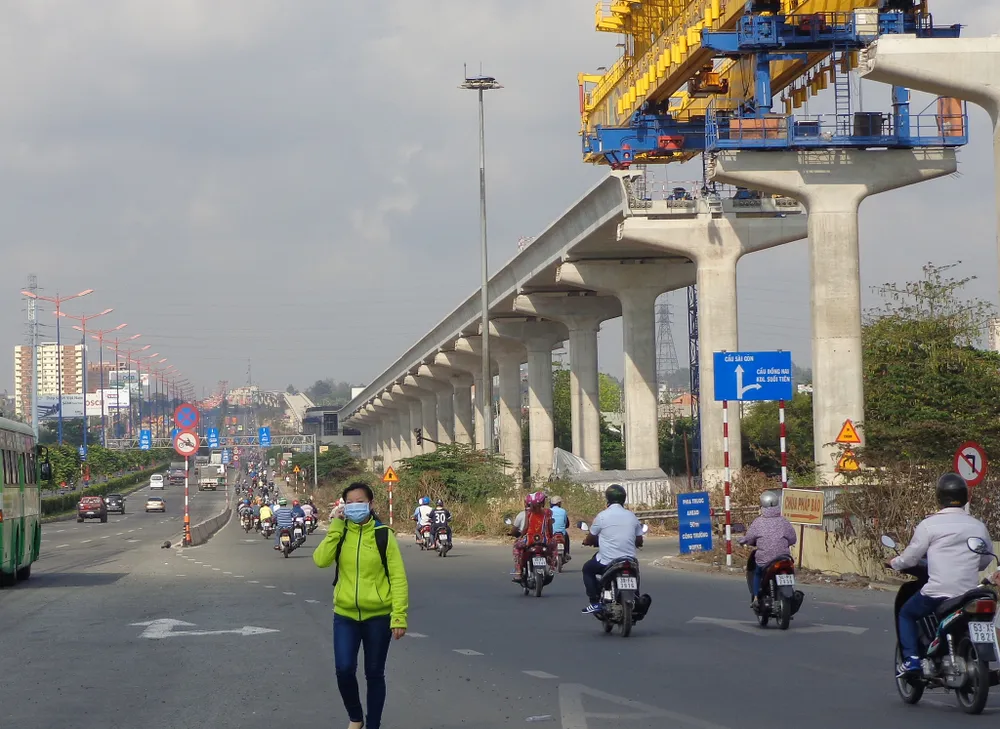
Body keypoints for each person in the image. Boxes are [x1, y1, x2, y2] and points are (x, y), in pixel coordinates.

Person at [314, 482, 408, 729]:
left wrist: (399, 615)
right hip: (345, 615)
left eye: (360, 501)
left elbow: (397, 577)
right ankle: (356, 717)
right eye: (350, 502)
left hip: (378, 617)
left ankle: (373, 725)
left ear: (370, 504)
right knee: (344, 670)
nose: (356, 506)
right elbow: (320, 561)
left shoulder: (383, 534)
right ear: (344, 506)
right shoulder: (341, 531)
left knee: (374, 674)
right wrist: (335, 524)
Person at [888, 473, 994, 675]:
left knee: (907, 614)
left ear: (939, 497)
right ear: (965, 497)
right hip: (969, 594)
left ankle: (912, 660)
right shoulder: (979, 526)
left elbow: (910, 558)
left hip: (938, 592)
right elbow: (986, 559)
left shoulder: (929, 525)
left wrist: (895, 563)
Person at [581, 484, 643, 614]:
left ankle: (595, 602)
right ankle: (636, 597)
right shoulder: (632, 516)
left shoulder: (602, 516)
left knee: (587, 569)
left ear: (607, 498)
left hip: (607, 561)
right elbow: (639, 540)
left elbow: (591, 538)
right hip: (629, 560)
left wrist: (587, 542)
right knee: (635, 572)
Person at [738, 490, 797, 607]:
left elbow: (749, 538)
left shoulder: (758, 522)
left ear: (762, 506)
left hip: (765, 560)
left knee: (757, 572)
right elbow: (792, 539)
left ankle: (755, 598)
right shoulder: (784, 521)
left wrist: (743, 540)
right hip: (784, 558)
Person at [511, 491, 554, 582]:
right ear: (543, 503)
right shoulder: (548, 512)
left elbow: (526, 527)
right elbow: (550, 528)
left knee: (516, 547)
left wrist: (521, 537)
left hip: (530, 540)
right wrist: (551, 537)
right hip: (545, 540)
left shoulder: (528, 513)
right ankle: (552, 566)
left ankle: (518, 571)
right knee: (553, 548)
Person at [549, 495, 571, 562]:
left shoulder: (548, 511)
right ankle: (566, 552)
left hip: (551, 532)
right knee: (567, 538)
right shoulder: (563, 511)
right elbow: (566, 522)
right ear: (558, 503)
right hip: (562, 533)